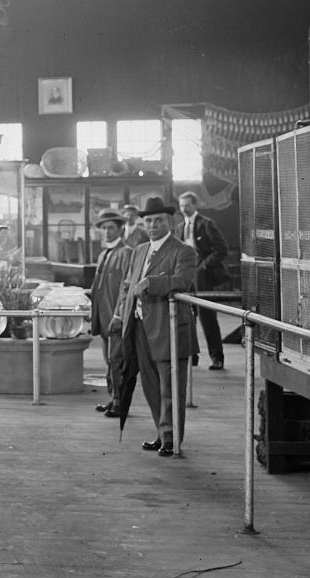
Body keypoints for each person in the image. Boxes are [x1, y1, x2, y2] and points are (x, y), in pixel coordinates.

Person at [111, 196, 196, 456]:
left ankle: (171, 438)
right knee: (150, 385)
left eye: (158, 220)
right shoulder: (138, 251)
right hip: (139, 327)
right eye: (148, 221)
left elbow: (184, 279)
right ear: (143, 223)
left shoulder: (183, 251)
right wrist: (118, 315)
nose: (153, 225)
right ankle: (161, 434)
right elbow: (127, 285)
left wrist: (151, 282)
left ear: (169, 221)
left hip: (168, 328)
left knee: (170, 386)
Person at [88, 210, 134, 419]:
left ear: (120, 229)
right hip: (104, 317)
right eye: (104, 228)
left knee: (118, 361)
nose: (106, 232)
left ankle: (119, 403)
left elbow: (127, 287)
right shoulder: (103, 254)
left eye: (111, 228)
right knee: (109, 361)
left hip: (116, 318)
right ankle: (112, 398)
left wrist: (120, 315)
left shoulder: (126, 253)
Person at [178, 190, 230, 370]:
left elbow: (222, 249)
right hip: (186, 276)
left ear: (195, 205)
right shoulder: (179, 228)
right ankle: (191, 356)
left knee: (207, 317)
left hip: (203, 277)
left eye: (188, 205)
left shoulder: (206, 224)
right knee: (186, 317)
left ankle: (217, 358)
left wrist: (204, 265)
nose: (184, 208)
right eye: (182, 205)